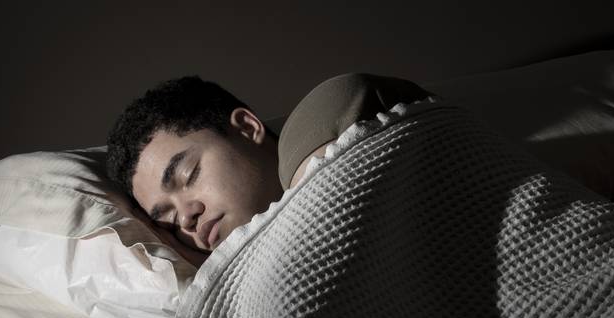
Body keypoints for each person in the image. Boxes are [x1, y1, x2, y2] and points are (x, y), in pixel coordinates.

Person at [105, 73, 437, 266]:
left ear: (248, 127)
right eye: (170, 220)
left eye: (189, 175)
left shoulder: (325, 112)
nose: (187, 217)